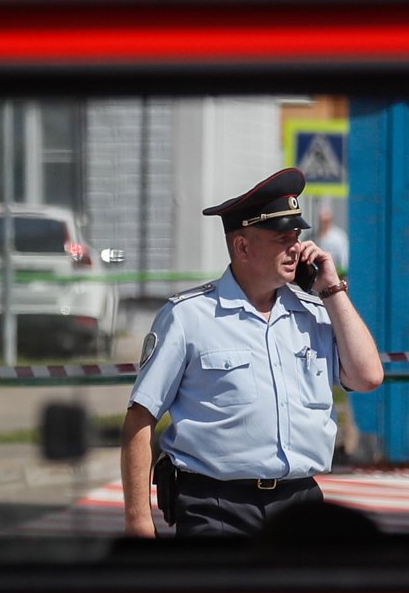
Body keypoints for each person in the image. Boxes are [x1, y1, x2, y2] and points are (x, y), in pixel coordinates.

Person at [120, 167, 383, 537]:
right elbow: (140, 419)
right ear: (243, 246)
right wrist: (138, 521)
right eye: (282, 238)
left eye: (296, 236)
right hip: (216, 506)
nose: (295, 247)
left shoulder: (313, 313)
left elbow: (368, 376)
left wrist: (332, 289)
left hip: (300, 503)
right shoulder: (188, 316)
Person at [314, 203, 350, 272]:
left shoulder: (339, 238)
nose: (323, 223)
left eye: (326, 221)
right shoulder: (313, 237)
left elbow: (344, 261)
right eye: (321, 220)